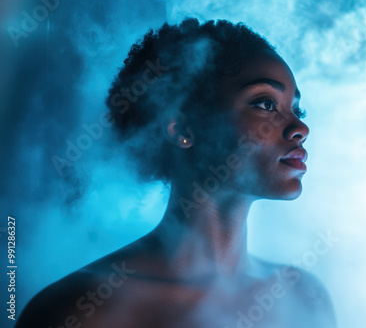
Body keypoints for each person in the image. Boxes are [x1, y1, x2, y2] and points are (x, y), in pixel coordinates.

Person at [16, 18, 337, 328]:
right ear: (182, 126)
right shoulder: (80, 309)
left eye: (297, 109)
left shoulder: (305, 296)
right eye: (266, 103)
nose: (301, 127)